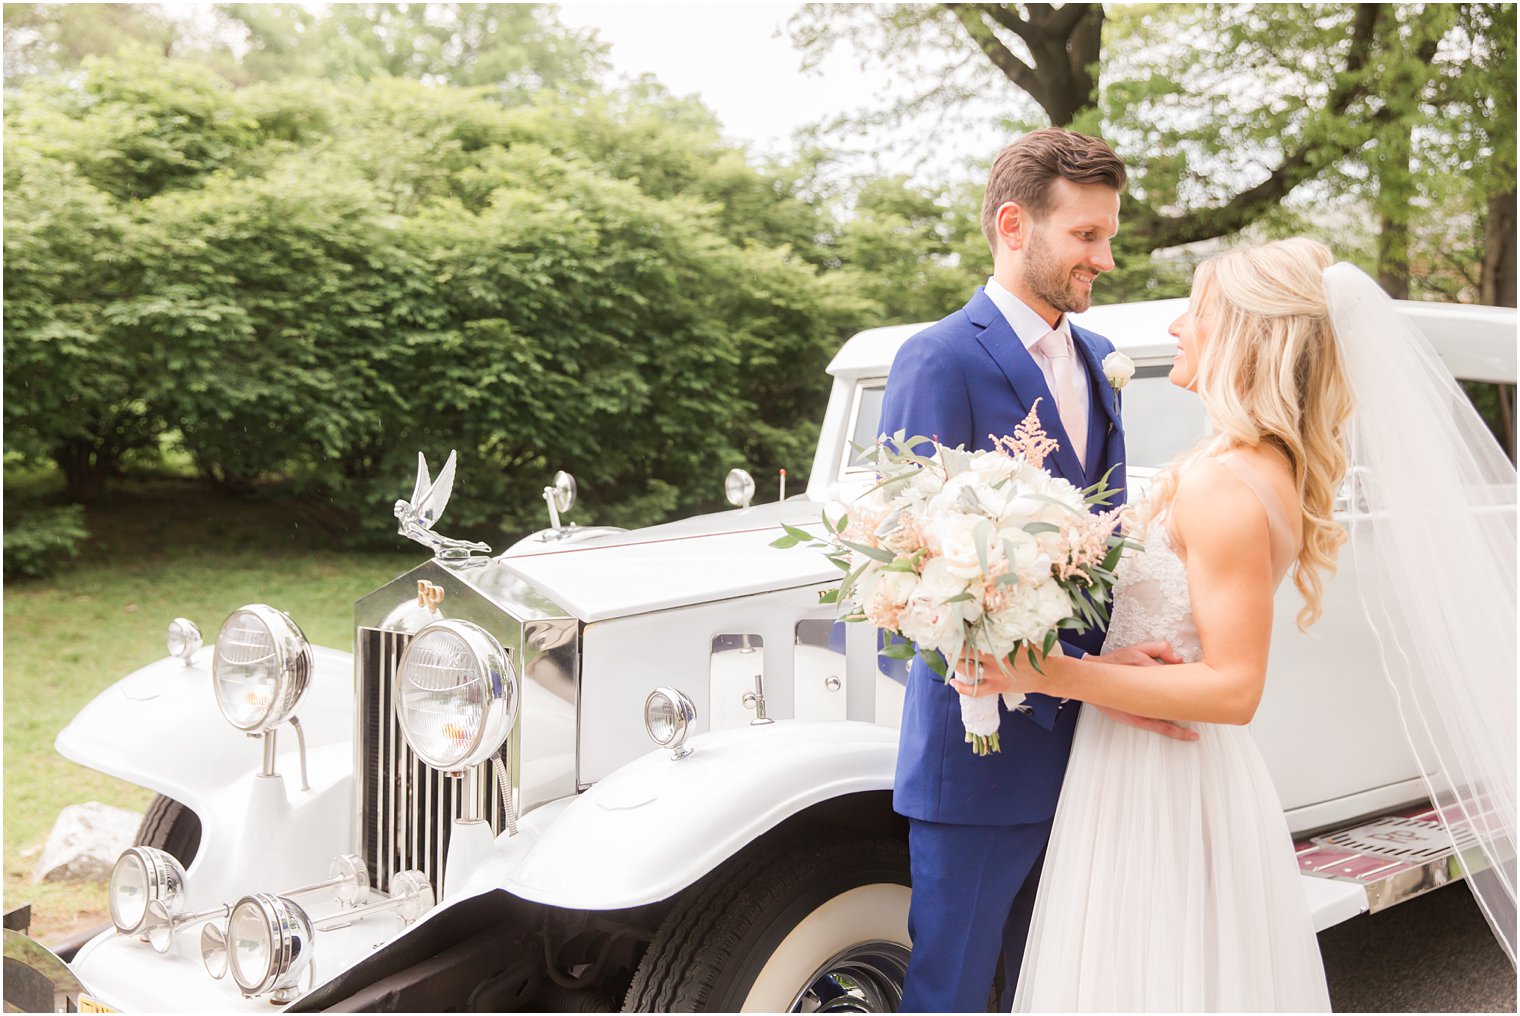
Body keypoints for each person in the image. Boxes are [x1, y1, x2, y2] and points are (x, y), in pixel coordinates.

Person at [955, 235, 1520, 1010]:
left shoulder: (1226, 484)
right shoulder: (1241, 462)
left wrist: (1045, 672)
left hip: (1164, 780)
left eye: (1196, 313)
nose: (1178, 328)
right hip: (1144, 761)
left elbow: (1233, 687)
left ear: (1247, 335)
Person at [877, 127, 1196, 1013]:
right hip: (980, 756)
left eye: (1109, 235)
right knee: (951, 990)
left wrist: (1112, 677)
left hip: (1096, 753)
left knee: (1060, 988)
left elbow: (1102, 550)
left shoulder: (1101, 363)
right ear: (1014, 226)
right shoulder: (937, 359)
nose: (1106, 256)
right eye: (1086, 236)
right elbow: (901, 581)